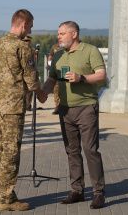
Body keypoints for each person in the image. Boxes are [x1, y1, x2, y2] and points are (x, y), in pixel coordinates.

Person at [42, 21, 106, 209]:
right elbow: (52, 79)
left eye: (62, 34)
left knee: (90, 150)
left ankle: (98, 192)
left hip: (86, 108)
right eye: (58, 34)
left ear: (74, 34)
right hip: (65, 109)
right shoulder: (59, 55)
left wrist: (82, 78)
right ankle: (77, 190)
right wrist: (42, 93)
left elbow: (102, 75)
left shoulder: (90, 50)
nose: (58, 37)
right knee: (72, 151)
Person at [0, 9, 47, 211]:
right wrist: (40, 94)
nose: (29, 30)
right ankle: (7, 198)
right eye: (30, 26)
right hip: (13, 107)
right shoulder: (22, 48)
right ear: (23, 24)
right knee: (11, 152)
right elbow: (31, 78)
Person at [48, 42, 64, 114]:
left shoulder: (69, 45)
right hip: (57, 70)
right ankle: (57, 106)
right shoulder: (54, 46)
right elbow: (51, 55)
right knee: (56, 88)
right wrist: (49, 62)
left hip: (66, 70)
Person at [21, 35, 34, 111]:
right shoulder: (20, 49)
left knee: (29, 91)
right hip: (21, 73)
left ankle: (28, 105)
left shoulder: (32, 50)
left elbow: (32, 62)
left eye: (27, 41)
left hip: (29, 72)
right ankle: (23, 105)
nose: (26, 43)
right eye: (24, 41)